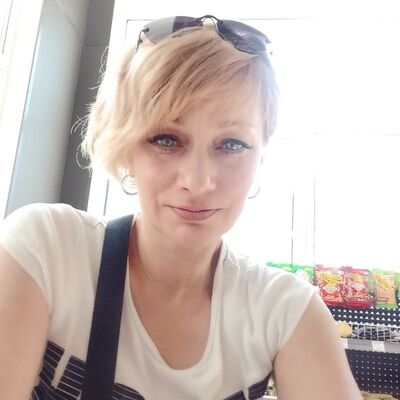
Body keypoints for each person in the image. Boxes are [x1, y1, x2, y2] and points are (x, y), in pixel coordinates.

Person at [0, 15, 362, 400]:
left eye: (232, 144)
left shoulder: (286, 311)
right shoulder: (48, 251)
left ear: (260, 155)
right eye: (166, 139)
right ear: (126, 146)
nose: (198, 182)